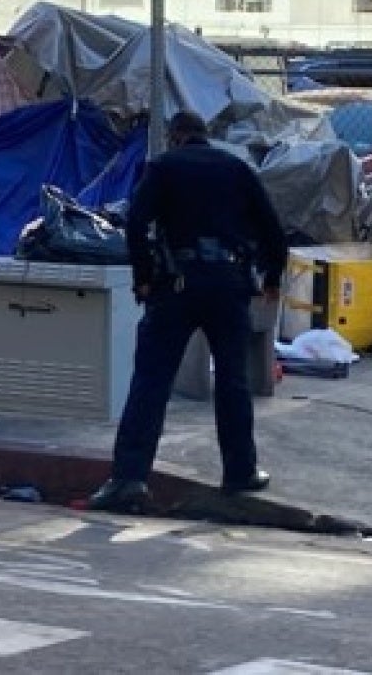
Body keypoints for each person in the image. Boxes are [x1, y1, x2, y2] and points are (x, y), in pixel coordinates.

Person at [87, 111, 288, 512]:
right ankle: (240, 472)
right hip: (229, 284)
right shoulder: (236, 168)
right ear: (205, 135)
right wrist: (271, 278)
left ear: (175, 136)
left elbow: (136, 223)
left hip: (176, 285)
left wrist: (143, 277)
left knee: (152, 381)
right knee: (232, 379)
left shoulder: (163, 167)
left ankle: (129, 478)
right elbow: (272, 228)